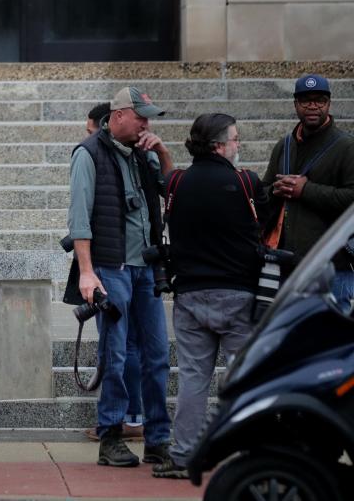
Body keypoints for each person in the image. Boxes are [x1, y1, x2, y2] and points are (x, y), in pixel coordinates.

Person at [152, 114, 270, 479]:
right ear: (220, 145)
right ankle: (249, 454)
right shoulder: (245, 181)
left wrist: (160, 150)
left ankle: (184, 454)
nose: (238, 145)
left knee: (192, 379)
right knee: (243, 379)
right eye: (234, 139)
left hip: (189, 296)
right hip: (240, 295)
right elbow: (265, 226)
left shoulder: (177, 182)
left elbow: (166, 187)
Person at [67, 87, 173, 468]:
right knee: (114, 355)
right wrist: (86, 272)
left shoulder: (144, 155)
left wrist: (161, 153)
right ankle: (110, 435)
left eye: (149, 117)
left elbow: (171, 191)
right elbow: (79, 218)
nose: (147, 123)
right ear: (119, 116)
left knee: (157, 354)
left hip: (146, 269)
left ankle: (158, 438)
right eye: (141, 116)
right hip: (111, 268)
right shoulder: (89, 153)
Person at [261, 74, 354, 304]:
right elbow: (261, 194)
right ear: (295, 104)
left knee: (332, 337)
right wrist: (275, 190)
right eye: (305, 100)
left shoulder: (346, 146)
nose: (313, 106)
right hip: (287, 266)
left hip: (332, 267)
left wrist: (306, 190)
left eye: (319, 100)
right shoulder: (284, 145)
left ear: (329, 104)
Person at [83, 101, 144, 442]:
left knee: (118, 347)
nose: (92, 138)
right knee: (129, 346)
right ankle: (132, 417)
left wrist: (87, 270)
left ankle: (118, 419)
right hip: (129, 262)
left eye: (92, 130)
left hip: (117, 263)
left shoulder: (104, 156)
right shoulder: (124, 156)